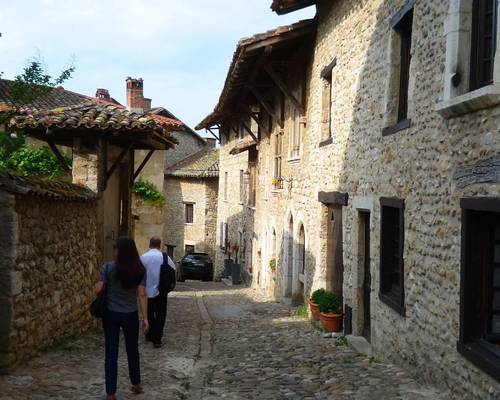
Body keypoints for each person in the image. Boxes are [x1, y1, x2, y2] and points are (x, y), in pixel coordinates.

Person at [95, 237, 149, 400]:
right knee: (132, 349)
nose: (114, 251)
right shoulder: (139, 269)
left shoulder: (108, 267)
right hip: (130, 314)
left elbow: (98, 290)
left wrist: (99, 286)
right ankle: (135, 383)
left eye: (116, 248)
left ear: (119, 251)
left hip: (111, 314)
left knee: (111, 352)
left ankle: (111, 393)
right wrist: (145, 318)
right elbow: (142, 294)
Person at [141, 236, 175, 348]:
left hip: (145, 292)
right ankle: (157, 338)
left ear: (150, 245)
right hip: (161, 291)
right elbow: (173, 270)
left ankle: (150, 334)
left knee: (149, 313)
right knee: (161, 314)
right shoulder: (165, 258)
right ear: (159, 245)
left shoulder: (143, 258)